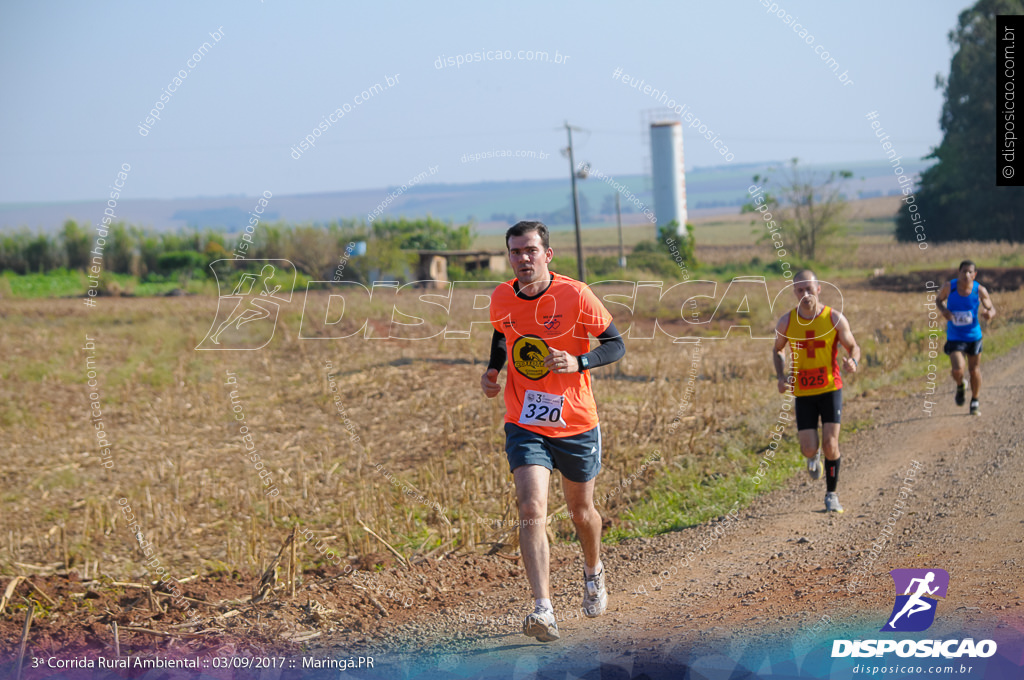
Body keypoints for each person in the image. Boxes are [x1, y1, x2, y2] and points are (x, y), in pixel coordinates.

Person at [481, 220, 625, 642]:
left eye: (530, 250)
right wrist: (492, 371)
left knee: (582, 513)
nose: (523, 258)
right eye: (515, 252)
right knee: (531, 509)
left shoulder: (576, 294)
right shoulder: (503, 296)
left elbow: (615, 344)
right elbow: (500, 337)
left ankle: (593, 569)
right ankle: (543, 608)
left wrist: (578, 363)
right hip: (525, 420)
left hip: (576, 420)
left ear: (548, 254)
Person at [772, 270, 860, 513]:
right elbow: (778, 350)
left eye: (809, 289)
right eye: (800, 290)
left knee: (831, 444)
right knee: (809, 448)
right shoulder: (786, 322)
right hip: (803, 393)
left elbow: (853, 346)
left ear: (819, 288)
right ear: (794, 293)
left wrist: (853, 361)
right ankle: (813, 456)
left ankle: (831, 495)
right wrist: (781, 376)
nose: (805, 294)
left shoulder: (834, 318)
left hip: (830, 388)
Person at [936, 260, 996, 416]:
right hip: (955, 336)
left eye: (970, 272)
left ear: (974, 275)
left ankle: (975, 400)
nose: (967, 275)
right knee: (957, 369)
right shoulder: (950, 287)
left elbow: (990, 307)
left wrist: (989, 313)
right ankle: (961, 385)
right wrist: (944, 310)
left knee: (974, 370)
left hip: (974, 336)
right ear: (959, 272)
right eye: (964, 271)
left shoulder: (979, 290)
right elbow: (938, 300)